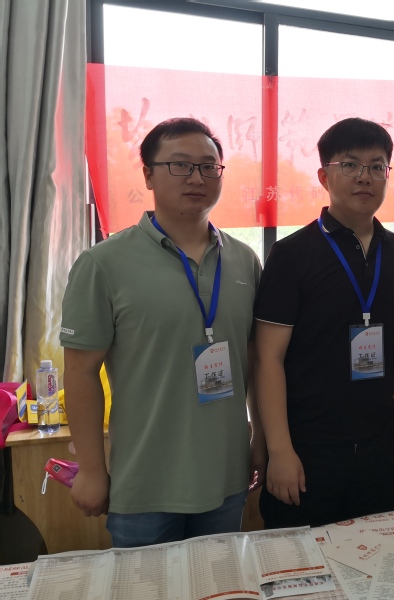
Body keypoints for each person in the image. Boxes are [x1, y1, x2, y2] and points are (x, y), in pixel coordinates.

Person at [60, 117, 265, 547]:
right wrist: (93, 471)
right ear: (148, 175)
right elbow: (80, 373)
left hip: (227, 477)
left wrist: (260, 441)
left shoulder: (245, 260)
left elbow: (256, 363)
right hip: (144, 485)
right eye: (180, 165)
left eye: (208, 166)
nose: (197, 178)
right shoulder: (104, 263)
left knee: (220, 581)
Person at [254, 117, 394, 528]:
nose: (365, 177)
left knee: (371, 553)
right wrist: (280, 450)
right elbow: (267, 358)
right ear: (323, 176)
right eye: (350, 164)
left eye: (377, 166)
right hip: (307, 447)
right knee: (298, 560)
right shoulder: (291, 255)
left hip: (379, 444)